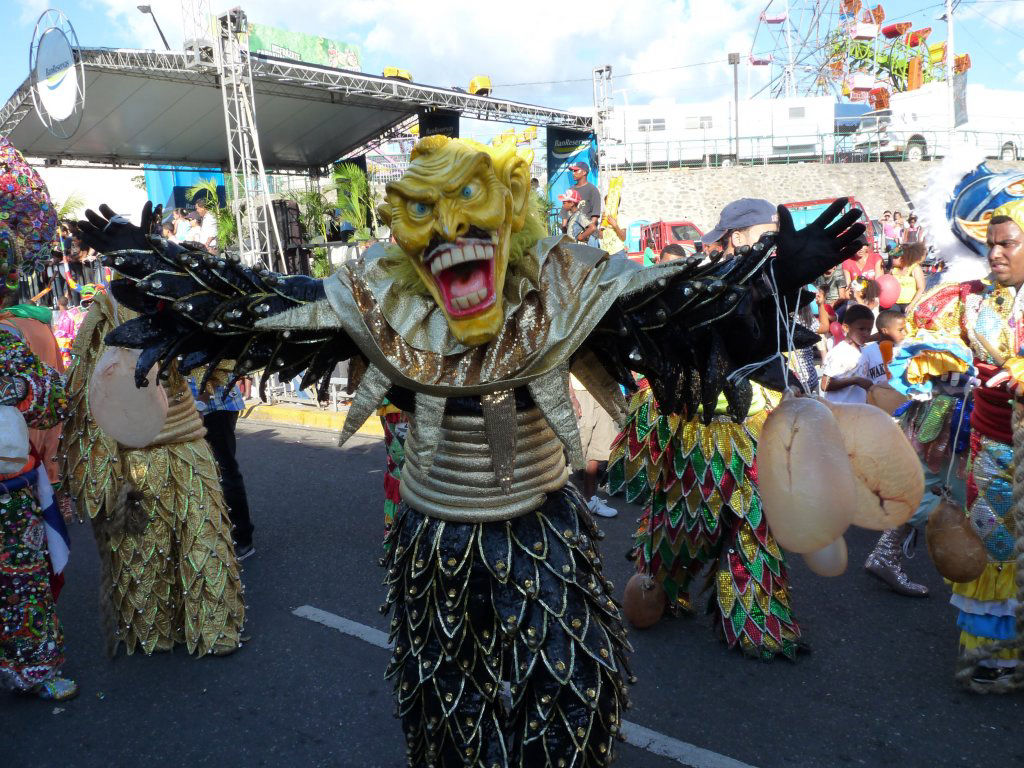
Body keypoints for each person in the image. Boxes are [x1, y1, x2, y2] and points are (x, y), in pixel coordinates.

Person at [77, 138, 864, 763]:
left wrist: (769, 280)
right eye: (429, 218)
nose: (452, 234)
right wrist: (157, 265)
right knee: (449, 708)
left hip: (542, 531)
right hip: (435, 537)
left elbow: (680, 311)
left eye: (469, 211)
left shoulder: (566, 285)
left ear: (508, 217)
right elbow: (255, 308)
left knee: (572, 695)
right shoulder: (376, 299)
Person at [609, 196, 807, 659]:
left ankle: (755, 620)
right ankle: (661, 581)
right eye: (767, 232)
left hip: (756, 422)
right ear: (737, 238)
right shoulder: (704, 282)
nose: (777, 242)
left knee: (754, 520)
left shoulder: (772, 280)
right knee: (683, 520)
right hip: (702, 427)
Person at [60, 288, 246, 657]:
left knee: (202, 532)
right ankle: (157, 628)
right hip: (135, 453)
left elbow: (218, 359)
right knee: (145, 545)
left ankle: (213, 627)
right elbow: (91, 390)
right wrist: (100, 465)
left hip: (187, 441)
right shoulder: (107, 309)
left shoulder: (181, 295)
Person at [900, 199, 1024, 688]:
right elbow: (921, 332)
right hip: (992, 448)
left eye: (1007, 243)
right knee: (993, 547)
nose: (994, 253)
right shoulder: (970, 299)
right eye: (990, 244)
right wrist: (931, 358)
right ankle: (998, 660)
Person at [189, 374, 256, 560]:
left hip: (215, 408)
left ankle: (242, 539)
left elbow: (217, 364)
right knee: (201, 473)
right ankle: (216, 530)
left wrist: (199, 405)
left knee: (225, 472)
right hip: (192, 409)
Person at [570, 375, 618, 518]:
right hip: (580, 391)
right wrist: (571, 396)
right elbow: (562, 361)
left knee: (597, 447)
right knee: (576, 446)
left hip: (603, 387)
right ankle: (563, 504)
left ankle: (589, 500)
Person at [821, 303, 888, 404]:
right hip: (840, 410)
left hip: (857, 410)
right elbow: (825, 385)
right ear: (846, 328)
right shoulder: (839, 353)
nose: (866, 333)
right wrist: (855, 380)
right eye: (861, 329)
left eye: (869, 330)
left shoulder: (863, 351)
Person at [569, 160, 601, 247]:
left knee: (591, 259)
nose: (573, 173)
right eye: (573, 171)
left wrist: (585, 234)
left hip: (589, 236)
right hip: (573, 234)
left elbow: (595, 215)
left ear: (584, 172)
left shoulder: (592, 190)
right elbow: (566, 212)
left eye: (576, 170)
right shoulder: (571, 190)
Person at [890, 243, 927, 311]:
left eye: (895, 257)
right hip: (894, 304)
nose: (892, 259)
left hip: (909, 304)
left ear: (904, 257)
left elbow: (921, 288)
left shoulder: (915, 268)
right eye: (893, 257)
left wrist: (912, 304)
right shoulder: (892, 270)